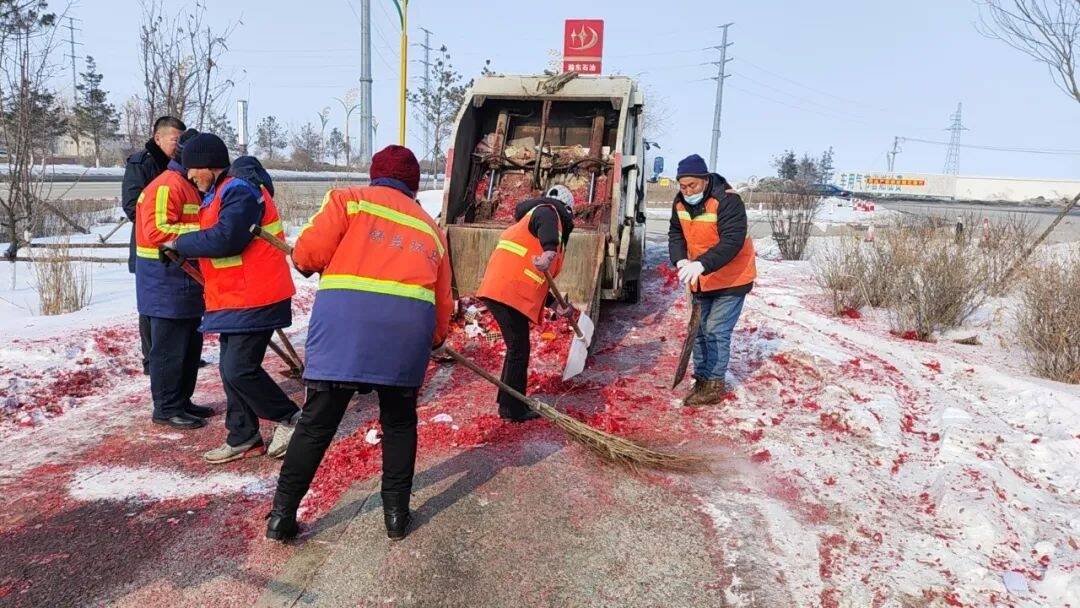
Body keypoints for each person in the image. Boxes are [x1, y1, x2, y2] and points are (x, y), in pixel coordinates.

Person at [266, 145, 453, 541]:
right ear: (414, 186)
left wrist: (308, 262)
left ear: (374, 175)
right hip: (405, 338)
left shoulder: (347, 200)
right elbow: (442, 300)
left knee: (317, 424)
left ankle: (282, 515)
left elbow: (307, 254)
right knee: (400, 423)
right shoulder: (431, 229)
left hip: (343, 333)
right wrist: (434, 340)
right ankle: (396, 517)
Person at [167, 133, 301, 464]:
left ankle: (291, 419)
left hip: (256, 297)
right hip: (234, 299)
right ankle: (243, 436)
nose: (189, 176)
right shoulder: (218, 194)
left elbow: (228, 239)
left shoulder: (239, 190)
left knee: (239, 369)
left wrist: (182, 243)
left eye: (193, 169)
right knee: (231, 372)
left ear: (209, 165)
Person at [475, 185, 576, 422]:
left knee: (516, 349)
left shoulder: (536, 220)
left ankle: (507, 402)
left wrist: (555, 305)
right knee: (519, 350)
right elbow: (546, 223)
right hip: (507, 291)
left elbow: (536, 277)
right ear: (568, 209)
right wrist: (550, 250)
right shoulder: (548, 210)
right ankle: (514, 408)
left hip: (507, 289)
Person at [135, 128, 213, 429]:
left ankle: (182, 400)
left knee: (190, 346)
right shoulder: (168, 185)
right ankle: (166, 407)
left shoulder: (187, 184)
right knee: (169, 350)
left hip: (185, 279)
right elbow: (157, 232)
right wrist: (203, 237)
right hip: (165, 282)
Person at [668, 154, 756, 407]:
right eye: (682, 186)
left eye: (692, 185)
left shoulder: (728, 201)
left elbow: (732, 241)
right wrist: (680, 260)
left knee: (716, 330)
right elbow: (676, 233)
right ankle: (702, 378)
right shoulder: (680, 203)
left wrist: (702, 263)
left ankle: (714, 384)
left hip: (731, 278)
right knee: (698, 330)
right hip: (701, 279)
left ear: (705, 180)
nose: (687, 191)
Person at [123, 116, 186, 375]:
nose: (179, 146)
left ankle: (175, 354)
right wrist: (159, 225)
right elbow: (131, 206)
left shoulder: (180, 166)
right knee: (152, 308)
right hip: (149, 247)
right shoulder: (142, 164)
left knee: (176, 303)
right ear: (158, 138)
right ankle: (152, 358)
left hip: (176, 245)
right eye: (175, 140)